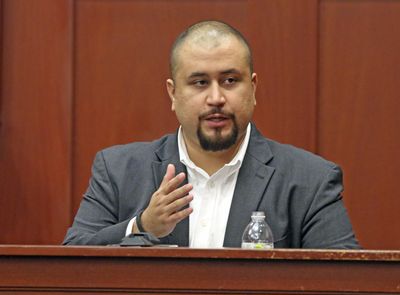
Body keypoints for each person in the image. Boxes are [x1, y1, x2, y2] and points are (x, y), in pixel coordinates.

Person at [63, 20, 360, 249]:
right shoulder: (119, 170)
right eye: (200, 82)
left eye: (230, 80)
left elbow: (346, 285)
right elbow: (69, 265)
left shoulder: (310, 180)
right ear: (173, 93)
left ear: (253, 88)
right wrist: (142, 226)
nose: (216, 97)